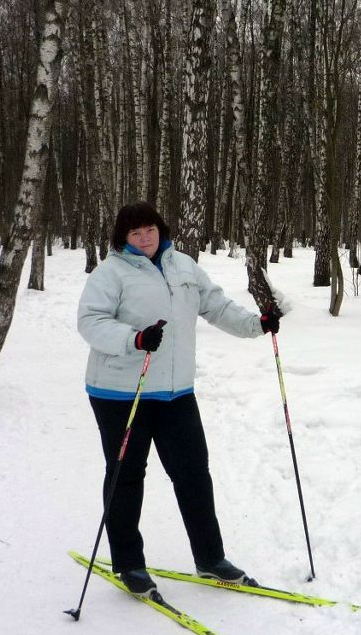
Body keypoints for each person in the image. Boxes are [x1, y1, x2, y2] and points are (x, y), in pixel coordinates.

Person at [77, 201, 281, 594]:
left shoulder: (183, 266)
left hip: (176, 391)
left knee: (193, 474)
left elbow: (216, 306)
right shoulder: (110, 272)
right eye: (135, 232)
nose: (144, 238)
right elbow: (90, 322)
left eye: (150, 229)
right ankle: (129, 564)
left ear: (161, 229)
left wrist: (257, 325)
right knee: (126, 476)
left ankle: (210, 558)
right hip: (121, 392)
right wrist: (134, 339)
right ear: (123, 237)